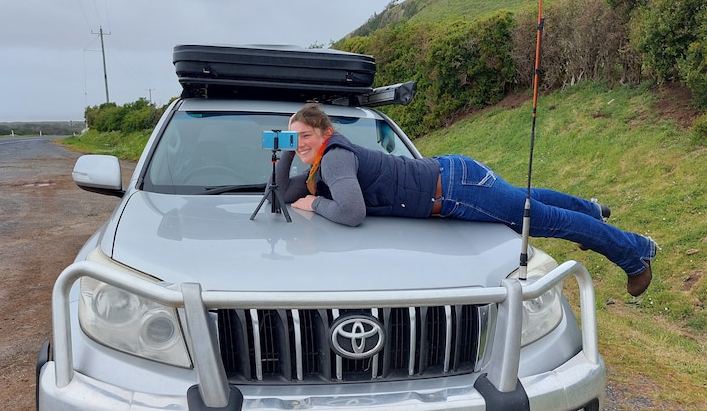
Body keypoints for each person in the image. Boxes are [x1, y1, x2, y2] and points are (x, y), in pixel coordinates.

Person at [276, 103, 657, 297]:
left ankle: (635, 256)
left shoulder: (336, 158)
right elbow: (284, 192)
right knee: (530, 201)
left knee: (543, 220)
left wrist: (316, 206)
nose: (301, 143)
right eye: (295, 137)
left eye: (305, 135)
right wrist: (287, 151)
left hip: (457, 191)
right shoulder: (320, 164)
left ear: (326, 132)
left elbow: (351, 212)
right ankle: (592, 210)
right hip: (455, 177)